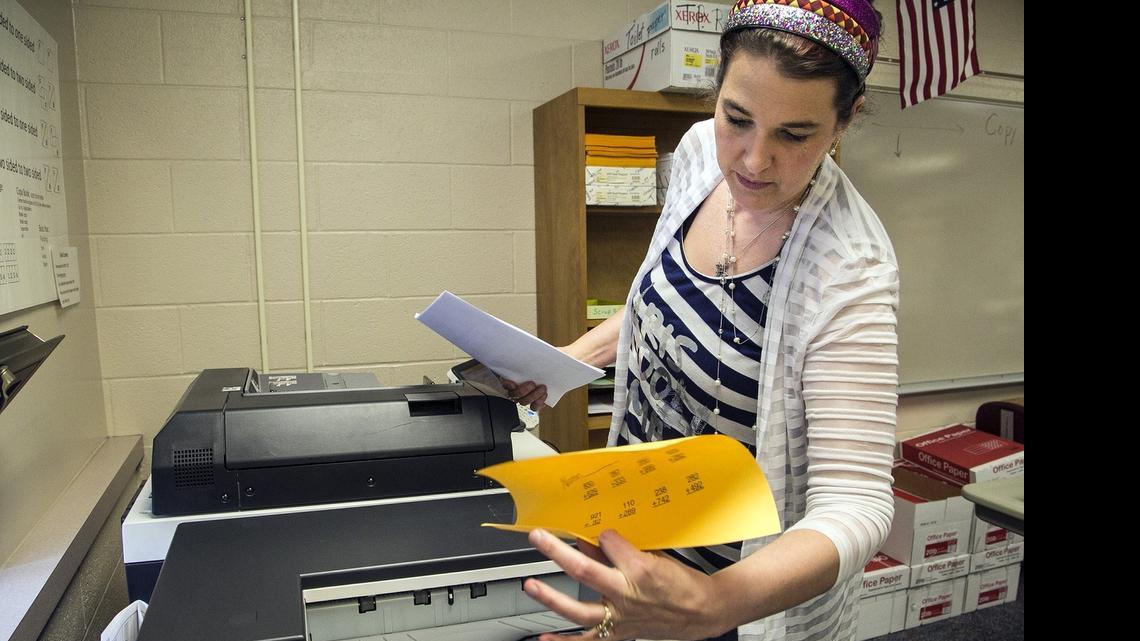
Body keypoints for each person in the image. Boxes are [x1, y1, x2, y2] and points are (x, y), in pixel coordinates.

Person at [503, 1, 898, 639]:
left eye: (794, 135)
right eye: (736, 119)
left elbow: (856, 506)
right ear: (714, 91)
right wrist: (566, 361)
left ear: (845, 121)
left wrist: (715, 603)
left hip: (730, 599)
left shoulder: (848, 268)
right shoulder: (695, 157)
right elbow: (661, 306)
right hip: (633, 540)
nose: (752, 161)